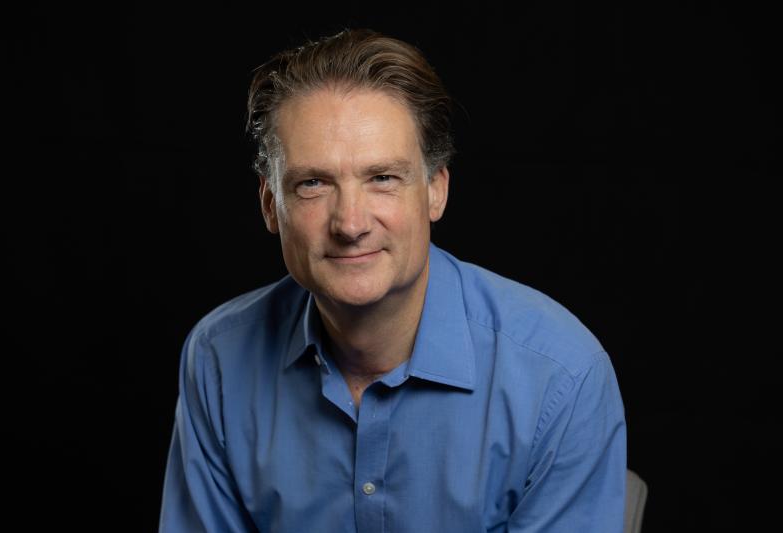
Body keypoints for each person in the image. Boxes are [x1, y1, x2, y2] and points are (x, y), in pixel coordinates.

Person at [158, 28, 627, 533]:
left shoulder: (561, 377)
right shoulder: (219, 359)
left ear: (435, 191)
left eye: (382, 177)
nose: (351, 223)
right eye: (313, 183)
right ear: (271, 205)